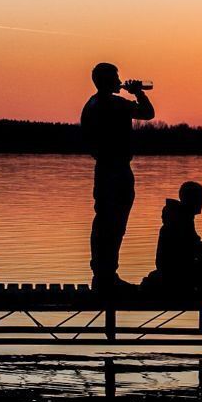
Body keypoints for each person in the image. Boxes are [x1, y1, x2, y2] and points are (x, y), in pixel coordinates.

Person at [81, 62, 155, 290]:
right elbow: (148, 113)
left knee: (103, 221)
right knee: (114, 223)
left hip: (103, 169)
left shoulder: (91, 104)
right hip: (117, 170)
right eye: (115, 77)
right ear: (106, 81)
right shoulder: (114, 104)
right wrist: (138, 92)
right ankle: (107, 276)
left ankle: (102, 274)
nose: (119, 81)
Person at [145, 181, 202, 294]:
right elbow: (190, 249)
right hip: (176, 273)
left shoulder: (182, 218)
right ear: (191, 199)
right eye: (200, 199)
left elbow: (192, 246)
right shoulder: (179, 221)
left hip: (176, 269)